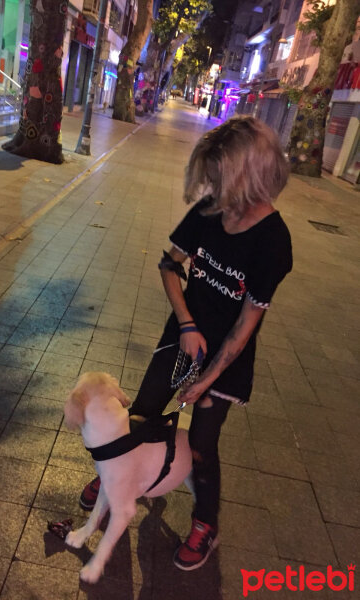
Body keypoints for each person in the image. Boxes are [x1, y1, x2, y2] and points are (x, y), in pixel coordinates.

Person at [79, 116, 293, 571]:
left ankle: (206, 522)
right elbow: (167, 265)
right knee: (141, 412)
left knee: (200, 442)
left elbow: (246, 323)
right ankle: (116, 478)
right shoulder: (209, 211)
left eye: (221, 176)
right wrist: (186, 324)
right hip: (183, 335)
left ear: (251, 174)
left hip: (227, 360)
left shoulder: (274, 242)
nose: (213, 186)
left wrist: (209, 379)